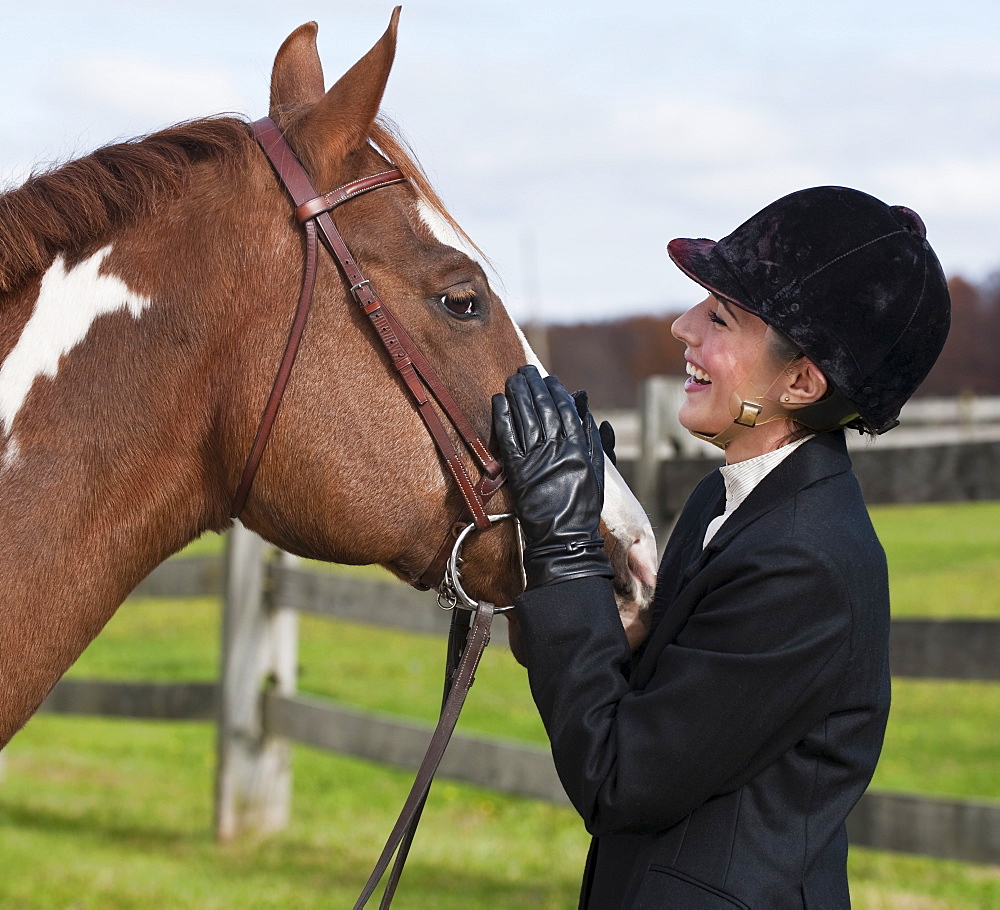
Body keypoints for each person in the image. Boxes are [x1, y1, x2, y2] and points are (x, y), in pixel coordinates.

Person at [492, 186, 951, 909]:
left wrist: (564, 550)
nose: (682, 327)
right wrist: (583, 544)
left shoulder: (803, 563)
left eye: (719, 317)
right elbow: (664, 689)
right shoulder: (730, 500)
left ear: (801, 381)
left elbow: (617, 777)